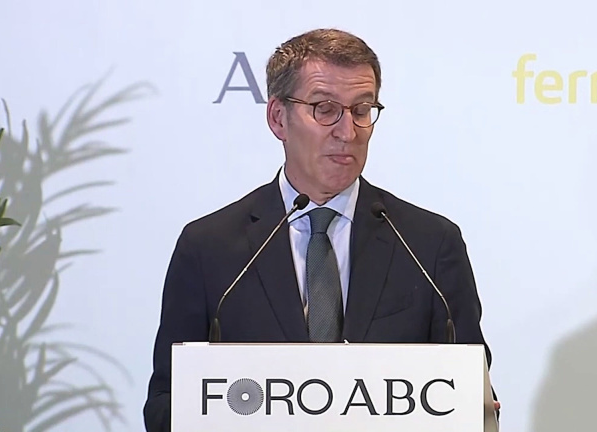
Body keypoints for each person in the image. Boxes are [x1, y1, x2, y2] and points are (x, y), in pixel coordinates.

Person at [143, 28, 498, 432]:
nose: (348, 132)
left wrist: (479, 408)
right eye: (325, 109)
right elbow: (164, 406)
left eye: (361, 110)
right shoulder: (210, 248)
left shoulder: (429, 244)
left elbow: (473, 396)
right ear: (278, 118)